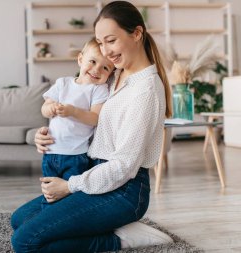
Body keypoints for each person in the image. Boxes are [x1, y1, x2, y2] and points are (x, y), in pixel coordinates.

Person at [11, 1, 174, 252]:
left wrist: (69, 186)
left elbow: (123, 167)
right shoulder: (115, 74)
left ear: (137, 34)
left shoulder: (146, 90)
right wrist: (43, 135)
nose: (105, 52)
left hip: (124, 191)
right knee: (19, 220)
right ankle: (105, 225)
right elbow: (81, 114)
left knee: (25, 241)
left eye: (111, 40)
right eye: (100, 43)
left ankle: (120, 239)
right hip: (93, 173)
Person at [40, 38, 114, 208]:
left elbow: (95, 118)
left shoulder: (99, 89)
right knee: (49, 193)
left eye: (105, 68)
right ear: (80, 59)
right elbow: (44, 108)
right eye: (93, 61)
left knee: (70, 198)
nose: (97, 69)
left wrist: (73, 111)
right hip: (51, 152)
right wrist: (50, 108)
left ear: (110, 74)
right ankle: (49, 220)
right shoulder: (63, 83)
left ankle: (64, 221)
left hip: (76, 155)